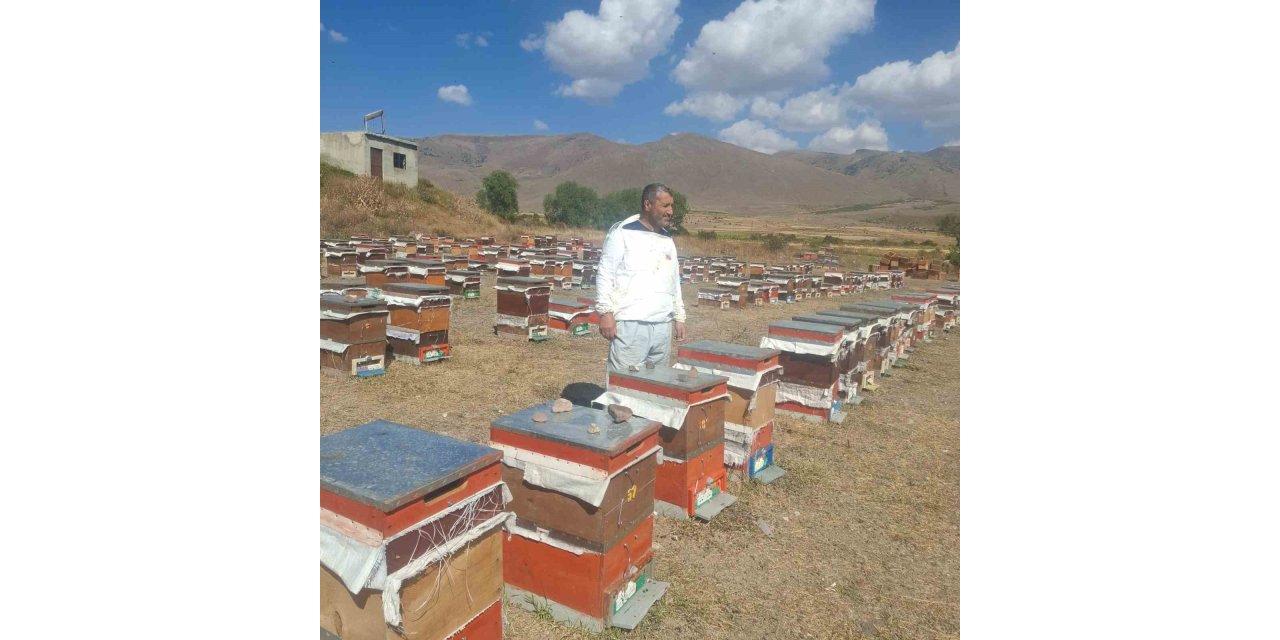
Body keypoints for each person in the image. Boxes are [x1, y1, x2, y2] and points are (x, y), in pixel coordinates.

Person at [595, 183, 687, 372]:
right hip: (631, 323)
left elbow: (673, 281)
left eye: (672, 206)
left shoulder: (667, 240)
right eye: (665, 205)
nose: (670, 211)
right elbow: (605, 273)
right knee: (624, 386)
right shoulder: (622, 234)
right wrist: (605, 313)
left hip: (662, 324)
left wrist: (679, 316)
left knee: (655, 386)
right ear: (648, 205)